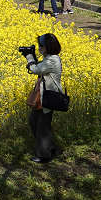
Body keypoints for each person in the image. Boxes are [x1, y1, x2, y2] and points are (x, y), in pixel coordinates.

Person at [21, 33, 64, 163]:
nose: (39, 48)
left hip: (47, 98)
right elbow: (40, 67)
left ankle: (44, 155)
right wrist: (33, 56)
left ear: (48, 47)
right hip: (43, 96)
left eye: (41, 46)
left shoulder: (52, 60)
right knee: (35, 122)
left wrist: (29, 57)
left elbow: (35, 69)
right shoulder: (49, 58)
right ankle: (50, 148)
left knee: (42, 126)